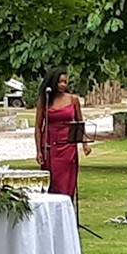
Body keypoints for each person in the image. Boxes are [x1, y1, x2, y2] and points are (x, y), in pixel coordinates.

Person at [35, 68, 91, 199]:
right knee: (52, 183)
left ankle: (67, 213)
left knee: (67, 183)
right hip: (50, 145)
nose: (63, 85)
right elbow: (38, 127)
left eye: (65, 82)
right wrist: (39, 150)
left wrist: (85, 144)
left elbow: (79, 123)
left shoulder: (73, 99)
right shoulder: (45, 100)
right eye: (60, 82)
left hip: (68, 146)